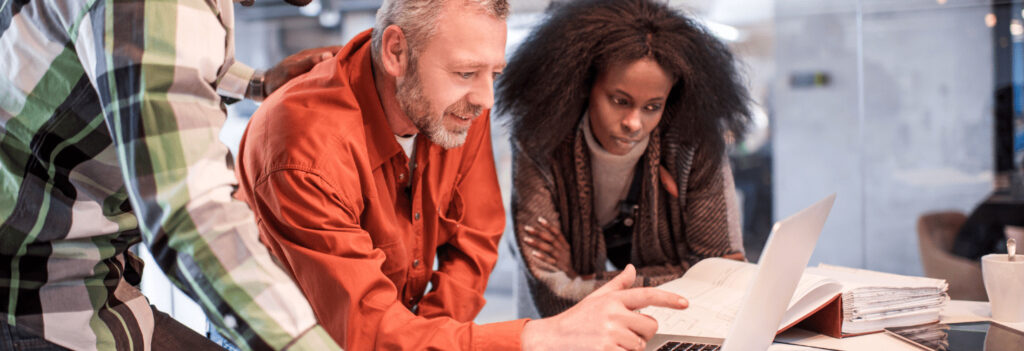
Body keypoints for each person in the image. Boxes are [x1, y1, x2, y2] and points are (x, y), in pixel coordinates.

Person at [233, 0, 688, 350]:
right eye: (467, 72)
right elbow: (364, 331)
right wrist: (537, 337)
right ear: (396, 52)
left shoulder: (453, 101)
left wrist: (431, 338)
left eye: (493, 72)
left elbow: (476, 233)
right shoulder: (301, 150)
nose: (486, 98)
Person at [0, 0, 345, 349]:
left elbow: (153, 59)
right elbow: (193, 217)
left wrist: (258, 83)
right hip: (33, 299)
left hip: (97, 283)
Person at [495, 0, 751, 317]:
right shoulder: (539, 135)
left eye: (652, 107)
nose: (634, 122)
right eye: (619, 101)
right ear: (585, 85)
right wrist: (683, 272)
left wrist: (580, 281)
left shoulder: (693, 138)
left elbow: (722, 277)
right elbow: (553, 297)